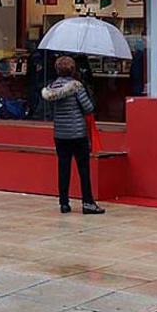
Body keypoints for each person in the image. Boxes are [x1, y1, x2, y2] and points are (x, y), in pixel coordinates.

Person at [42, 56, 103, 215]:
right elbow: (88, 108)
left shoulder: (52, 88)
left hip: (60, 133)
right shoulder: (76, 87)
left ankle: (64, 203)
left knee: (63, 168)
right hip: (77, 133)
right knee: (83, 169)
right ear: (73, 69)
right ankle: (88, 203)